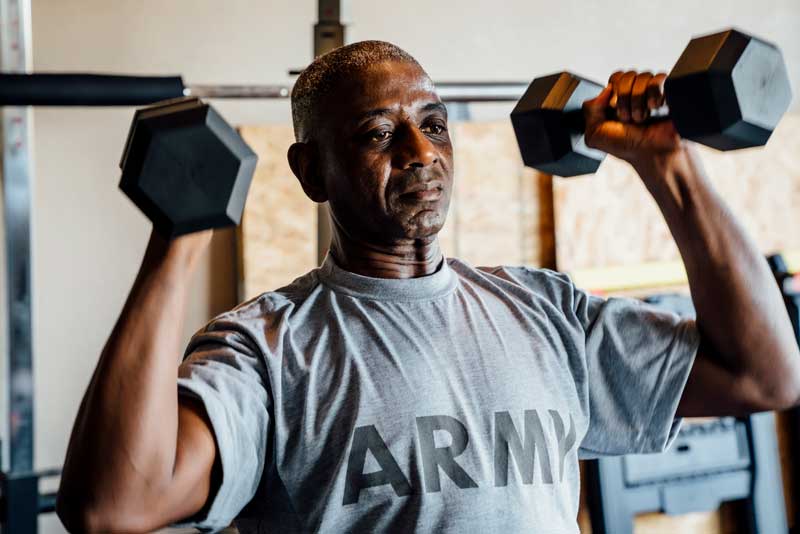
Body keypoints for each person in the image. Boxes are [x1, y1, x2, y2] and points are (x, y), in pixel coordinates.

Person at [56, 41, 800, 533]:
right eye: (379, 133)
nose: (421, 153)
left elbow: (763, 373)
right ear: (311, 171)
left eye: (435, 125)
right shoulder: (268, 350)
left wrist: (667, 166)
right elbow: (116, 502)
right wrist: (180, 235)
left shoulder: (542, 311)